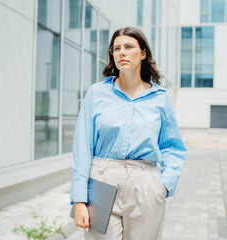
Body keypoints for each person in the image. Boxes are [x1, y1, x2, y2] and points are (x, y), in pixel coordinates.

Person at [70, 26, 186, 240]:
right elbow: (82, 148)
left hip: (146, 183)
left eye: (129, 46)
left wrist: (163, 185)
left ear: (143, 53)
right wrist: (79, 199)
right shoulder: (97, 93)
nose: (121, 52)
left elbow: (173, 147)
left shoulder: (160, 97)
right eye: (116, 48)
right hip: (101, 180)